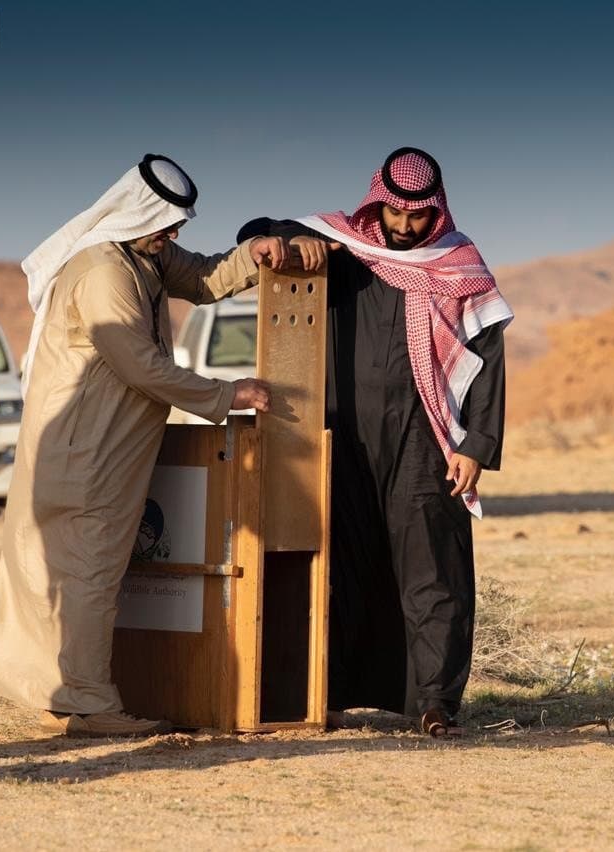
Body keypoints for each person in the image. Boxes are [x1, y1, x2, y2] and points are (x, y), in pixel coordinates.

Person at [0, 154, 303, 737]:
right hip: (86, 452)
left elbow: (203, 278)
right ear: (137, 214)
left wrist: (252, 258)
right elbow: (139, 364)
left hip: (110, 448)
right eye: (168, 224)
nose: (175, 235)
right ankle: (91, 705)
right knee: (88, 574)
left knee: (88, 573)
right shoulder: (104, 270)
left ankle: (76, 692)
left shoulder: (144, 254)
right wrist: (227, 393)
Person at [238, 146, 513, 736]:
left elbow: (487, 355)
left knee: (431, 567)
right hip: (341, 436)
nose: (406, 227)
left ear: (433, 212)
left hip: (423, 438)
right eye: (396, 215)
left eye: (417, 217)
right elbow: (257, 233)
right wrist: (286, 239)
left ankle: (435, 702)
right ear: (376, 204)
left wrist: (477, 445)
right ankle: (326, 692)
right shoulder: (343, 250)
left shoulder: (457, 264)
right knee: (339, 563)